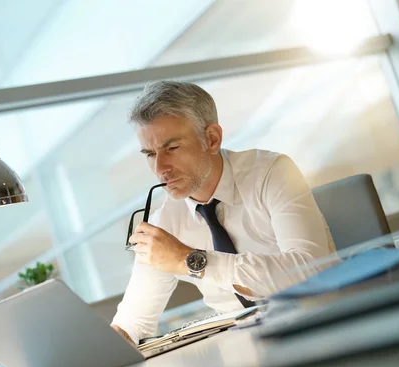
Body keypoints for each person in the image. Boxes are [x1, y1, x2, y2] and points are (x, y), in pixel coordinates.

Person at [111, 80, 335, 344]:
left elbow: (310, 270)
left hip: (323, 323)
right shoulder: (165, 222)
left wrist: (190, 260)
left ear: (212, 139)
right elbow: (133, 323)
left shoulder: (272, 172)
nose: (160, 168)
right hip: (248, 347)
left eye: (171, 148)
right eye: (150, 154)